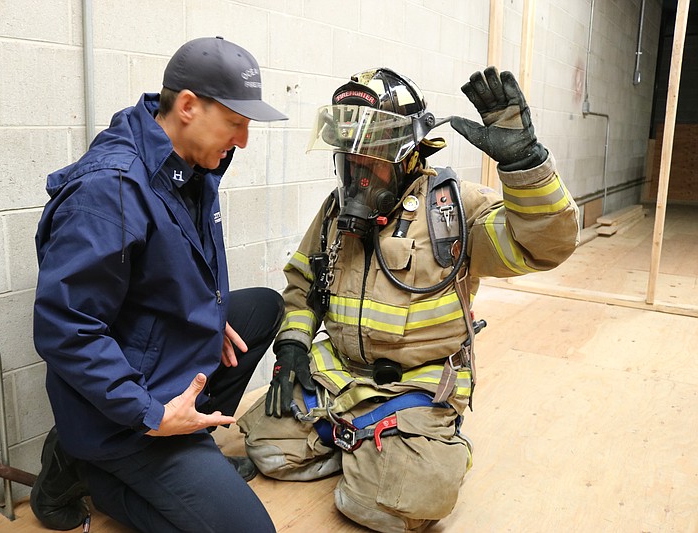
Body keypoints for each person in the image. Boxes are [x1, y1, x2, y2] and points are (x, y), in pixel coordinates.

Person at [238, 67, 580, 532]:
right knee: (265, 447)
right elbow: (302, 283)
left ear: (406, 153)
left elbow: (545, 246)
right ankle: (367, 449)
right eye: (348, 154)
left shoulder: (453, 210)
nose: (357, 169)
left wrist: (525, 166)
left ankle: (416, 447)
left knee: (399, 506)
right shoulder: (337, 210)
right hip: (337, 380)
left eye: (372, 155)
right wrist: (293, 345)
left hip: (412, 389)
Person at [31, 36, 287, 532]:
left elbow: (166, 272)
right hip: (125, 415)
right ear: (188, 106)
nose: (243, 140)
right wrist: (149, 413)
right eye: (236, 123)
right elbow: (67, 329)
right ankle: (89, 467)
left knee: (259, 311)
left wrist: (211, 320)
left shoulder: (187, 160)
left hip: (154, 362)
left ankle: (186, 442)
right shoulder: (111, 190)